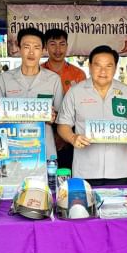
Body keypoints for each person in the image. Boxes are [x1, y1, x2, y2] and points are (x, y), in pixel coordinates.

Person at [57, 45, 127, 185]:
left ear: (115, 68)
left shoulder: (126, 92)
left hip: (119, 170)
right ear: (90, 66)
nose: (103, 71)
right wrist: (72, 138)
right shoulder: (75, 92)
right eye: (98, 65)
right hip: (85, 169)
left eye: (108, 66)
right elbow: (63, 125)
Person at [0, 27, 64, 161]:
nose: (31, 52)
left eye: (36, 47)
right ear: (19, 48)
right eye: (26, 47)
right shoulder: (6, 78)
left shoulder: (53, 80)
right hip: (13, 150)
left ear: (43, 50)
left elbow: (61, 118)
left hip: (43, 150)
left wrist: (53, 118)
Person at [41, 28, 86, 170]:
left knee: (68, 176)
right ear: (45, 47)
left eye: (62, 44)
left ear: (67, 46)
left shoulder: (78, 74)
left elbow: (82, 108)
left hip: (71, 136)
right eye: (53, 44)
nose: (58, 49)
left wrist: (64, 136)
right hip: (44, 134)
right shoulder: (38, 72)